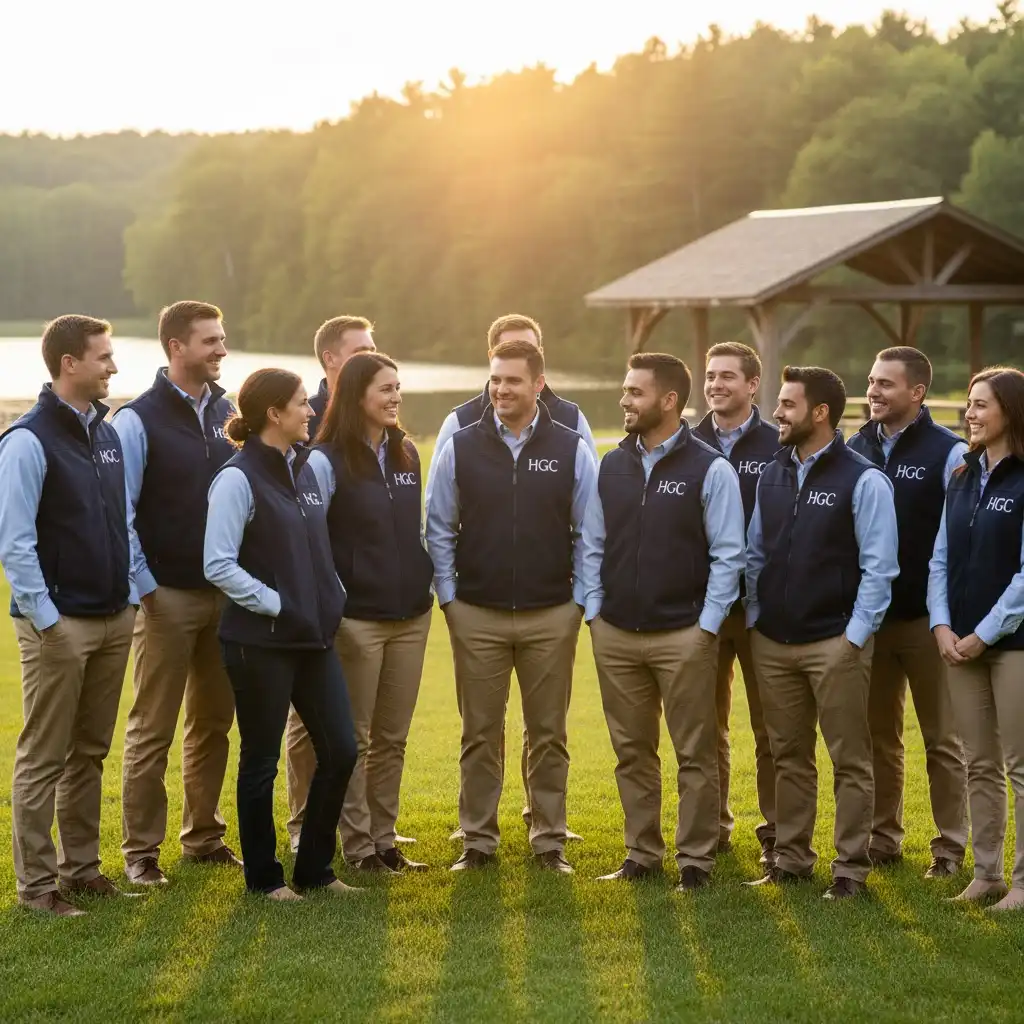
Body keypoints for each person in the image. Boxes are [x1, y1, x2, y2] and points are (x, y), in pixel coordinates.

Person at [426, 338, 596, 872]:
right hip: (477, 612)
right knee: (479, 732)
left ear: (538, 384)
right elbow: (438, 526)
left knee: (548, 734)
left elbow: (591, 533)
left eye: (512, 380)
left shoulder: (571, 446)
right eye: (495, 379)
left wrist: (578, 604)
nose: (500, 389)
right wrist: (450, 599)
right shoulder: (461, 443)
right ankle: (477, 840)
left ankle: (549, 842)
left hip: (552, 615)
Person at [583, 353, 745, 890]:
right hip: (617, 634)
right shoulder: (612, 464)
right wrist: (595, 611)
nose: (625, 400)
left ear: (669, 400)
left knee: (695, 753)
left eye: (635, 392)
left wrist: (707, 626)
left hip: (684, 635)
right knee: (632, 752)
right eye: (625, 391)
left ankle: (696, 860)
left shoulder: (710, 468)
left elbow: (729, 555)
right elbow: (593, 542)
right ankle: (641, 854)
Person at [0, 315, 138, 916]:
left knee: (89, 751)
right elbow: (14, 542)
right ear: (69, 364)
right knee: (44, 755)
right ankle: (36, 888)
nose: (112, 367)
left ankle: (82, 870)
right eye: (103, 357)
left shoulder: (105, 434)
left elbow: (122, 523)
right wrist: (49, 620)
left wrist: (132, 593)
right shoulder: (28, 439)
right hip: (60, 625)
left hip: (113, 616)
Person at [745, 366, 899, 900]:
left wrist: (854, 638)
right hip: (772, 641)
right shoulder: (773, 472)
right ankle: (791, 860)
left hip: (835, 643)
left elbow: (880, 571)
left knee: (850, 759)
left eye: (786, 405)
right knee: (787, 756)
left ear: (819, 413)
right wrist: (755, 619)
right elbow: (755, 553)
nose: (776, 414)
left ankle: (850, 869)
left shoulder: (864, 479)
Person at [204, 368, 358, 900]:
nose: (310, 410)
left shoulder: (305, 470)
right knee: (261, 761)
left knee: (341, 749)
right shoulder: (237, 478)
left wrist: (330, 595)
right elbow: (218, 564)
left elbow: (318, 550)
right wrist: (277, 604)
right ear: (273, 413)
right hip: (258, 644)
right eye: (300, 404)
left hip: (312, 639)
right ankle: (265, 879)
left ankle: (315, 869)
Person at [115, 301, 240, 886]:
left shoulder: (230, 411)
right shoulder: (136, 420)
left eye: (221, 340)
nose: (220, 349)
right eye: (210, 341)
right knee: (152, 727)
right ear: (175, 347)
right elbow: (123, 513)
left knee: (213, 723)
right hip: (166, 598)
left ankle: (203, 837)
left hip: (225, 596)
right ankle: (140, 852)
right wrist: (147, 589)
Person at [305, 352, 433, 873]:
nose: (395, 397)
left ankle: (385, 840)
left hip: (410, 615)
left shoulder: (406, 453)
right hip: (356, 621)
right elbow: (313, 543)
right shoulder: (324, 459)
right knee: (355, 739)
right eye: (385, 388)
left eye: (398, 387)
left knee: (392, 739)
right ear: (357, 393)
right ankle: (358, 848)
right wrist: (337, 603)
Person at [847, 346, 968, 878]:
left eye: (886, 384)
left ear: (917, 392)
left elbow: (962, 538)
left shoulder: (950, 452)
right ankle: (883, 838)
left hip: (925, 619)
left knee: (943, 739)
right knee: (878, 738)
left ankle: (949, 847)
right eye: (871, 381)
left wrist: (948, 615)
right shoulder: (854, 446)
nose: (873, 391)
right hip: (871, 620)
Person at [285, 314, 387, 851]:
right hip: (321, 598)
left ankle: (362, 826)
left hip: (372, 598)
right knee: (309, 721)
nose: (371, 355)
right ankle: (303, 826)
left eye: (374, 347)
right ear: (331, 359)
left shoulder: (380, 413)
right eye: (360, 349)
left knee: (361, 729)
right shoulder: (306, 415)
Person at [928, 366, 1024, 910]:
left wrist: (983, 636)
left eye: (982, 404)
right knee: (978, 762)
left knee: (1020, 765)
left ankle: (1023, 882)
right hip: (957, 642)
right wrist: (941, 624)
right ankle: (985, 874)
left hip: (1012, 646)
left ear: (1009, 410)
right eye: (968, 402)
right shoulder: (962, 474)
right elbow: (939, 558)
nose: (970, 412)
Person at [693, 341, 780, 865]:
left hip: (760, 611)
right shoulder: (687, 442)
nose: (716, 384)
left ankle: (775, 833)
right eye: (710, 375)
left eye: (728, 376)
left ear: (753, 385)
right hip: (701, 611)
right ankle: (711, 828)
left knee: (772, 728)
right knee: (704, 727)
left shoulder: (779, 444)